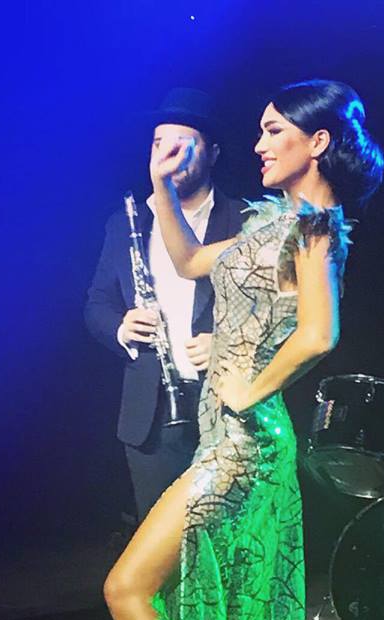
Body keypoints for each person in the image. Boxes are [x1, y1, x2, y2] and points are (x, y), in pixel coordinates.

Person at [103, 80, 383, 620]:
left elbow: (320, 333)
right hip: (220, 440)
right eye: (258, 132)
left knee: (128, 589)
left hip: (245, 445)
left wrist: (248, 389)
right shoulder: (266, 223)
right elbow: (188, 259)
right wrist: (160, 187)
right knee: (178, 605)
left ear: (317, 143)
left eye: (273, 131)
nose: (259, 145)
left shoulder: (316, 229)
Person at [84, 88, 245, 521]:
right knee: (160, 545)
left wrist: (228, 344)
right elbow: (96, 303)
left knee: (222, 540)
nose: (168, 156)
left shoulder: (245, 220)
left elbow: (275, 315)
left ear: (212, 153)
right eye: (159, 144)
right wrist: (121, 327)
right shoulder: (125, 223)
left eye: (182, 145)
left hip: (226, 408)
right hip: (151, 415)